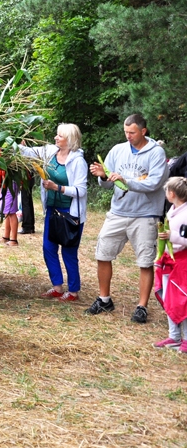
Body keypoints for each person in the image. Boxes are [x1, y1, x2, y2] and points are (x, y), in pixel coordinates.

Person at [87, 113, 169, 322]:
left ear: (143, 131)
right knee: (103, 253)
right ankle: (104, 299)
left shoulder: (156, 153)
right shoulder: (117, 150)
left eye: (132, 132)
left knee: (144, 261)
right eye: (126, 132)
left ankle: (141, 306)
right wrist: (103, 175)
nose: (128, 136)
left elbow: (154, 183)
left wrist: (127, 180)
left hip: (145, 214)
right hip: (118, 212)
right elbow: (106, 182)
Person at [21, 124, 89, 301]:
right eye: (57, 135)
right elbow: (29, 153)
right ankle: (57, 286)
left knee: (68, 252)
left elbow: (80, 190)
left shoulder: (78, 161)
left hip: (70, 213)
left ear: (70, 140)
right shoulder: (50, 152)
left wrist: (56, 187)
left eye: (60, 136)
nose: (56, 138)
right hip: (52, 210)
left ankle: (73, 291)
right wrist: (13, 145)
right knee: (48, 248)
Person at [155, 177, 187, 352]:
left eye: (166, 190)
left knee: (182, 299)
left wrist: (172, 237)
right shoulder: (172, 210)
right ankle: (174, 336)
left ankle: (186, 339)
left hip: (182, 262)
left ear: (172, 193)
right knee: (169, 297)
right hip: (169, 260)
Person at [0, 180, 20, 246]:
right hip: (5, 182)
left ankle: (14, 240)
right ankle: (6, 237)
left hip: (11, 181)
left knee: (11, 212)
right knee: (6, 211)